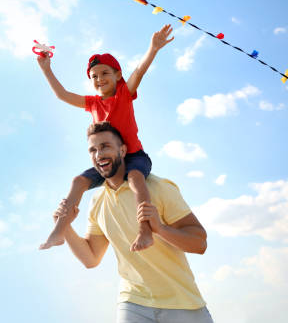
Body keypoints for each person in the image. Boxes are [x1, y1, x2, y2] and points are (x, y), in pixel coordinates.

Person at [55, 121, 213, 323]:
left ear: (122, 150)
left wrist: (160, 229)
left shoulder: (157, 187)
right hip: (133, 301)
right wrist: (65, 226)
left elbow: (200, 243)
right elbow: (91, 258)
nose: (99, 154)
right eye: (92, 150)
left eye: (105, 146)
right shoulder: (97, 202)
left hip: (183, 304)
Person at [38, 24, 174, 251]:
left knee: (135, 179)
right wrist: (46, 68)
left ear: (117, 75)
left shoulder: (124, 94)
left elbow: (139, 71)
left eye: (104, 73)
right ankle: (59, 231)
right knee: (78, 182)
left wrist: (153, 48)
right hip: (107, 163)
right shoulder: (92, 103)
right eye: (94, 76)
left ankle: (145, 230)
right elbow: (62, 95)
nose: (99, 79)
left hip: (133, 157)